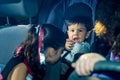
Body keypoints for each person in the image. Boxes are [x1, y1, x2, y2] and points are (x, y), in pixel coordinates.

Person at [68, 0, 120, 80]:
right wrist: (101, 62)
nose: (76, 33)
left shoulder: (86, 46)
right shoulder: (112, 51)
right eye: (72, 30)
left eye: (80, 30)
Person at [1, 24, 66, 80]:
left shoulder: (28, 60)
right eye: (61, 52)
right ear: (51, 52)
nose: (60, 55)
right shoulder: (22, 67)